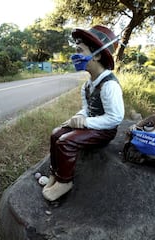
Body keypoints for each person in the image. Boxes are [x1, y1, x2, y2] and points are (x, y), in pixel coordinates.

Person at [42, 25, 125, 201]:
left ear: (96, 55)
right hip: (90, 125)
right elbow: (87, 108)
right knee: (56, 134)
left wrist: (86, 123)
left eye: (80, 51)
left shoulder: (109, 85)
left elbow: (115, 117)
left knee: (66, 142)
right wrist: (80, 115)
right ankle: (54, 175)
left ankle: (65, 181)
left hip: (103, 131)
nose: (75, 55)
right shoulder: (87, 85)